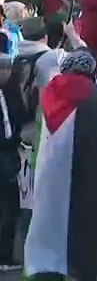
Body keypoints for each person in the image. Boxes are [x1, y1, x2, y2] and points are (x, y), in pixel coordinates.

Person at [24, 52, 97, 281]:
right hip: (91, 179)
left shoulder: (48, 93)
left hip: (51, 179)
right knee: (86, 235)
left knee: (51, 227)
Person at [0, 54, 29, 272]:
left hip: (10, 150)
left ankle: (6, 253)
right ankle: (4, 256)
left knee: (11, 204)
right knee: (8, 206)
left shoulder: (11, 91)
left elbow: (20, 117)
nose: (5, 73)